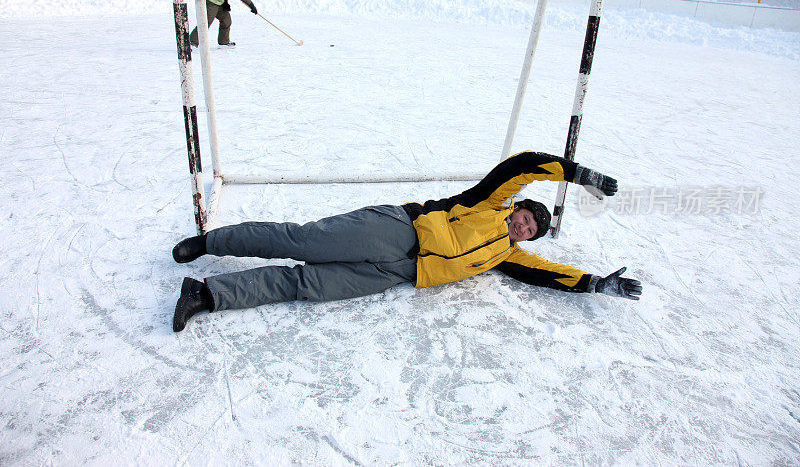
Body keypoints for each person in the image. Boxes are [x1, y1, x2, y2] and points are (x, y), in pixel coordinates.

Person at [170, 151, 644, 332]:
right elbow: (519, 166)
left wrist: (594, 284)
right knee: (305, 242)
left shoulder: (509, 256)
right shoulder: (485, 204)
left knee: (304, 286)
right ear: (516, 208)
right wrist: (576, 174)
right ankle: (212, 241)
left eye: (530, 230)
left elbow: (546, 276)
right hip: (399, 228)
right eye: (524, 218)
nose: (522, 228)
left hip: (401, 273)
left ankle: (207, 295)